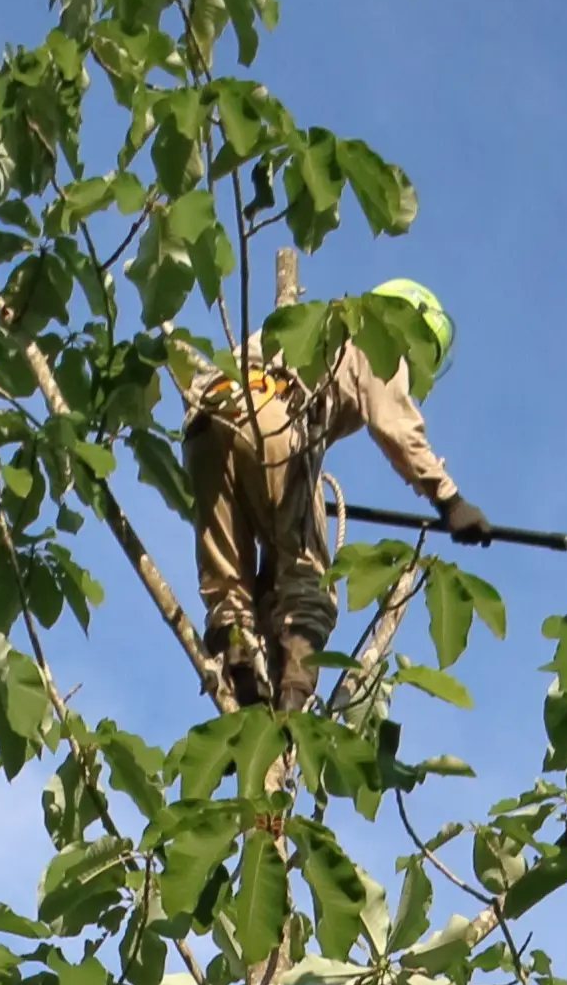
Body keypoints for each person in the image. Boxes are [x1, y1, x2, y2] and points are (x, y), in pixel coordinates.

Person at [185, 276, 489, 710]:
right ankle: (292, 702)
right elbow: (395, 427)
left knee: (229, 584)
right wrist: (450, 500)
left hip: (205, 417)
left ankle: (241, 669)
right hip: (273, 419)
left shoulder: (309, 325)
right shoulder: (377, 336)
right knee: (308, 579)